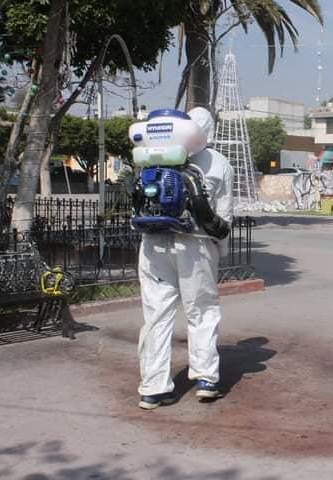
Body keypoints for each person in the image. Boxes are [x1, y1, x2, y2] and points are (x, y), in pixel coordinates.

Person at [137, 107, 234, 410]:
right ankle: (206, 378)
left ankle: (153, 388)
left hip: (154, 243)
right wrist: (221, 249)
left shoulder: (152, 155)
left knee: (156, 316)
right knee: (201, 311)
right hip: (196, 244)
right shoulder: (218, 162)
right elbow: (224, 215)